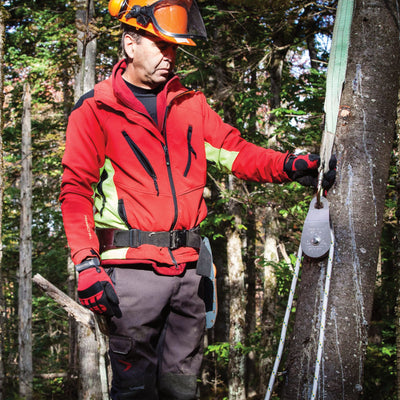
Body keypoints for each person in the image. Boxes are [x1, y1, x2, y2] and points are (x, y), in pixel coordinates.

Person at [60, 0, 336, 398]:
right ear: (130, 44)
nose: (169, 57)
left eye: (174, 48)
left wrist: (289, 166)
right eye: (160, 46)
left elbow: (236, 152)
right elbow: (75, 192)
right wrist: (86, 264)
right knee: (134, 389)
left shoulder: (190, 106)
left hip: (189, 274)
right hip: (131, 275)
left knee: (182, 389)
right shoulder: (96, 109)